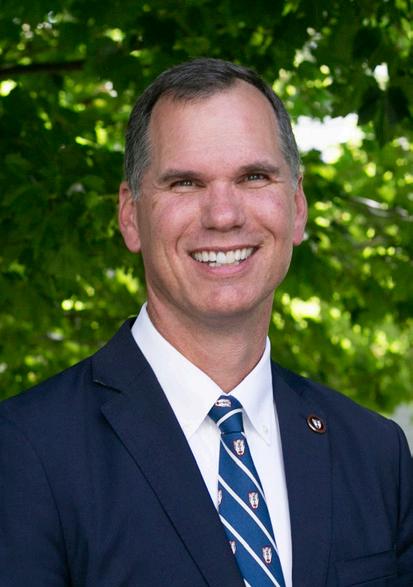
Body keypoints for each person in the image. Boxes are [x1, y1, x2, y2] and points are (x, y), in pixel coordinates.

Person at [0, 58, 412, 587]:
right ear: (130, 215)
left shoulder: (376, 453)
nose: (223, 215)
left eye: (254, 176)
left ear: (297, 206)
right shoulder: (25, 451)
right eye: (186, 182)